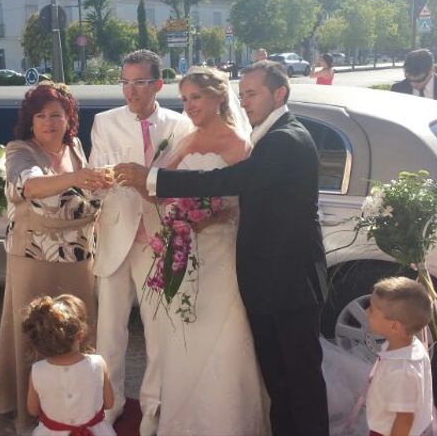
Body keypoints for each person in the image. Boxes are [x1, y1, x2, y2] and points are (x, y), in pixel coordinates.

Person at [115, 60, 330, 436]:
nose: (245, 101)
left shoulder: (287, 139)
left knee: (301, 381)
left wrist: (152, 177)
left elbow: (232, 180)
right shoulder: (271, 132)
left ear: (279, 93)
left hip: (290, 282)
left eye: (253, 93)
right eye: (243, 93)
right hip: (265, 281)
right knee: (279, 380)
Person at [152, 66, 270, 435]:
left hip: (221, 251)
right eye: (185, 99)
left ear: (219, 97)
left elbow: (249, 199)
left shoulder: (239, 144)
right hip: (184, 249)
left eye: (196, 97)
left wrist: (213, 214)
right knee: (185, 332)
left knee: (223, 332)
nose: (188, 106)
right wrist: (175, 215)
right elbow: (163, 186)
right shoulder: (185, 140)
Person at [0, 82, 109, 433]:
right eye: (40, 115)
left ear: (69, 117)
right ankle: (30, 410)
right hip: (32, 256)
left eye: (56, 114)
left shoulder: (75, 146)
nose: (48, 122)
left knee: (77, 324)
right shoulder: (19, 150)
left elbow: (83, 196)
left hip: (75, 256)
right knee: (32, 328)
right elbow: (30, 186)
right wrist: (78, 177)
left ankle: (81, 404)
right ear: (31, 120)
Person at [89, 49, 192, 435]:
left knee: (156, 330)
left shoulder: (179, 125)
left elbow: (184, 182)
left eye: (139, 82)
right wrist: (96, 185)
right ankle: (109, 402)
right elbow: (98, 179)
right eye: (125, 81)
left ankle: (153, 406)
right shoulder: (104, 121)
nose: (130, 90)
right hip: (116, 232)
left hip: (160, 236)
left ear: (158, 85)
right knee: (110, 328)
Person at [24, 294, 116, 436]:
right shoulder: (98, 364)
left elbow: (33, 409)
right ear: (80, 334)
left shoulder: (37, 371)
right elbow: (109, 403)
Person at [366, 277, 433, 436]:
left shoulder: (401, 371)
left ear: (394, 326)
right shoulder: (411, 345)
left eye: (372, 310)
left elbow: (404, 419)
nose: (366, 312)